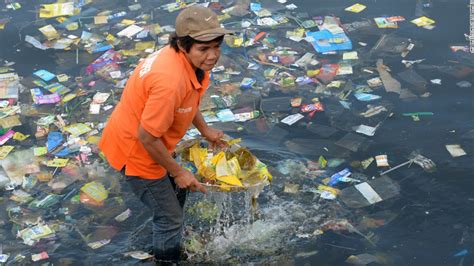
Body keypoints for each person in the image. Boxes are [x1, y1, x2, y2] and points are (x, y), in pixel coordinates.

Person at [98, 5, 233, 262]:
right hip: (137, 151)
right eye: (204, 49)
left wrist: (205, 130)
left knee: (176, 195)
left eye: (216, 46)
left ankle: (166, 230)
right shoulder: (170, 82)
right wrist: (178, 170)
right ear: (184, 45)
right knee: (170, 218)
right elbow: (147, 137)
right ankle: (165, 258)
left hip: (140, 137)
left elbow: (188, 99)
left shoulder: (184, 63)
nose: (213, 56)